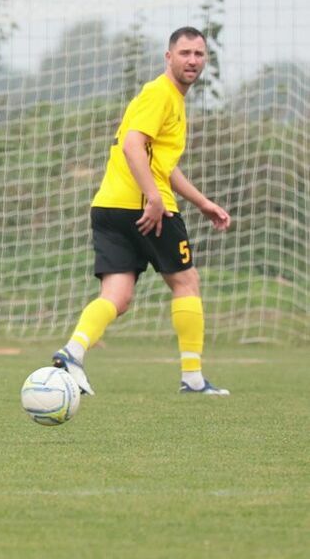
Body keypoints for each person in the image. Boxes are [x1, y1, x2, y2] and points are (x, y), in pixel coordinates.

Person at [50, 26, 232, 396]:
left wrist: (202, 202)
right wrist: (153, 197)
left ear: (206, 59)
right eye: (184, 53)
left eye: (198, 54)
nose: (192, 60)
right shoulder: (160, 93)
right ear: (168, 57)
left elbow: (161, 164)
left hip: (109, 206)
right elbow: (133, 146)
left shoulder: (167, 99)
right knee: (186, 282)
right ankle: (193, 378)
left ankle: (73, 352)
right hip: (146, 208)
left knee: (117, 296)